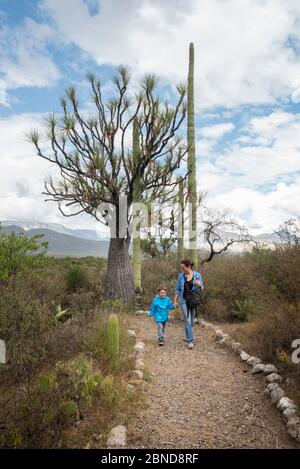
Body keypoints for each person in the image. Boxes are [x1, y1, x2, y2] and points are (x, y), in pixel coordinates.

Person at [174, 259, 204, 349]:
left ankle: (188, 337)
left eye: (183, 267)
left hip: (193, 300)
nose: (182, 269)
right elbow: (178, 289)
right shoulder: (181, 276)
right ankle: (190, 341)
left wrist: (199, 284)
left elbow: (202, 287)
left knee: (191, 321)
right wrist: (175, 300)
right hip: (183, 301)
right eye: (181, 268)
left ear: (189, 266)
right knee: (187, 320)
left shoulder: (197, 275)